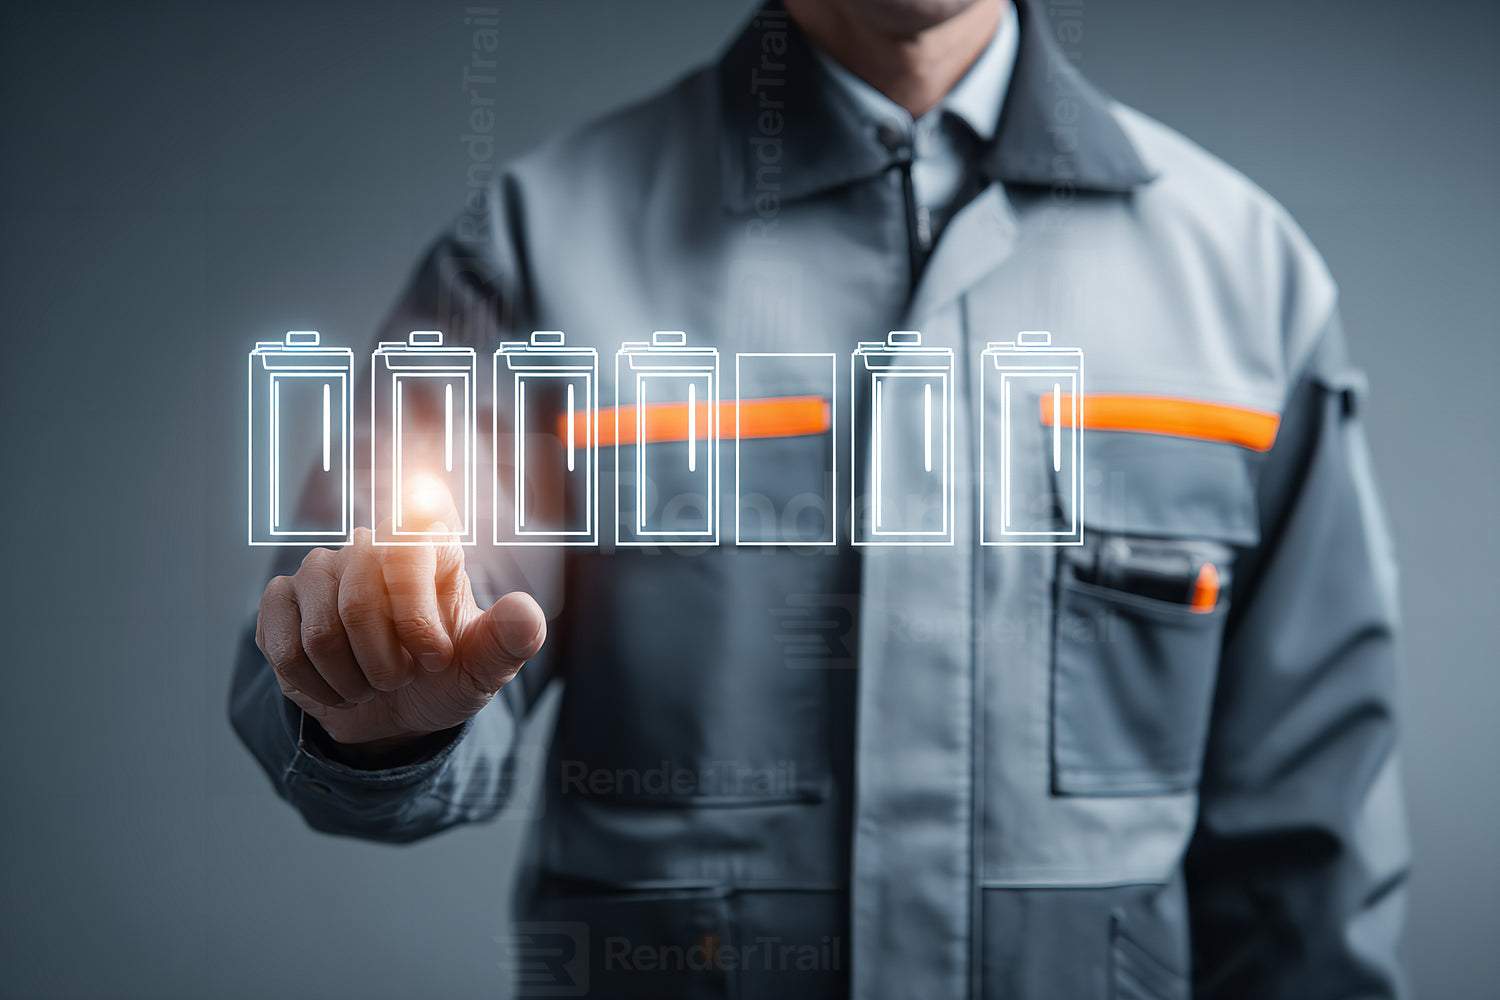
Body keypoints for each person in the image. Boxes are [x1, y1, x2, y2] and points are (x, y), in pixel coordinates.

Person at [231, 0, 1410, 996]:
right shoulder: (541, 248)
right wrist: (386, 711)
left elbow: (1311, 857)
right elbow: (378, 646)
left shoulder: (1250, 284)